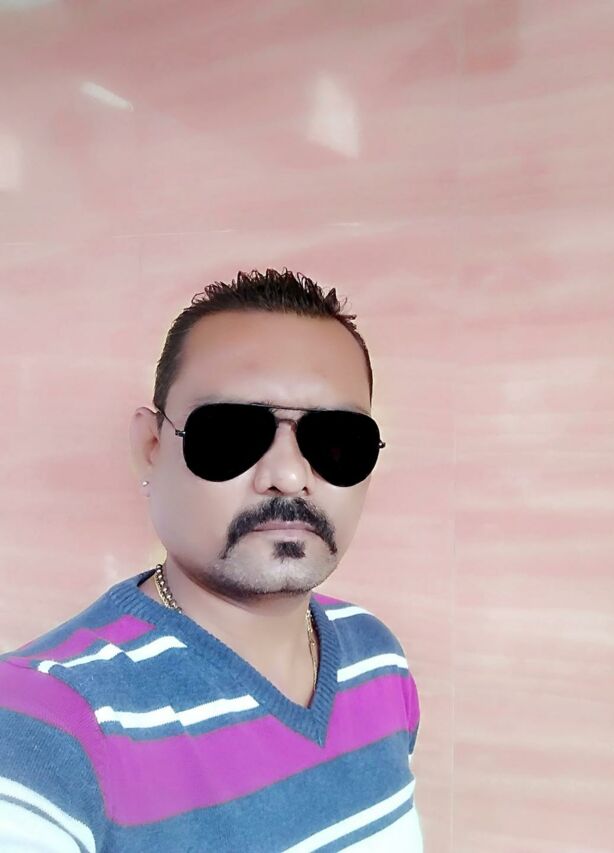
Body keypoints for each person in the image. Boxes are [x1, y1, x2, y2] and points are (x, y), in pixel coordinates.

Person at [0, 269, 422, 852]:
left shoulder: (376, 658)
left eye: (336, 441)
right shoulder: (44, 722)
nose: (288, 475)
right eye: (230, 434)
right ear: (151, 448)